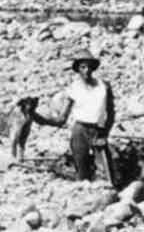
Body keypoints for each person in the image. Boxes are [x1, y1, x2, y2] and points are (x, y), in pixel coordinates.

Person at [48, 50, 116, 184]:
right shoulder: (73, 88)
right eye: (83, 67)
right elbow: (63, 117)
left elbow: (111, 112)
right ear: (78, 69)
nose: (87, 70)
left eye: (89, 66)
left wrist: (105, 135)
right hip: (79, 131)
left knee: (106, 170)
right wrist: (41, 119)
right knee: (82, 169)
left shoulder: (104, 86)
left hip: (98, 130)